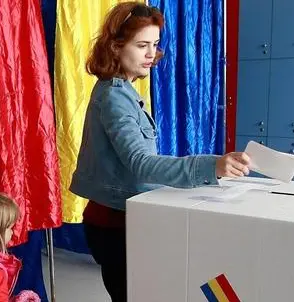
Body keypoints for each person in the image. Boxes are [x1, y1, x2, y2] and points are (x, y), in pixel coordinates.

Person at [69, 2, 251, 302]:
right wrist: (212, 166)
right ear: (115, 47)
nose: (151, 54)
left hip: (123, 219)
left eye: (154, 44)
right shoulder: (114, 97)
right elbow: (141, 164)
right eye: (142, 45)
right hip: (115, 225)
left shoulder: (122, 91)